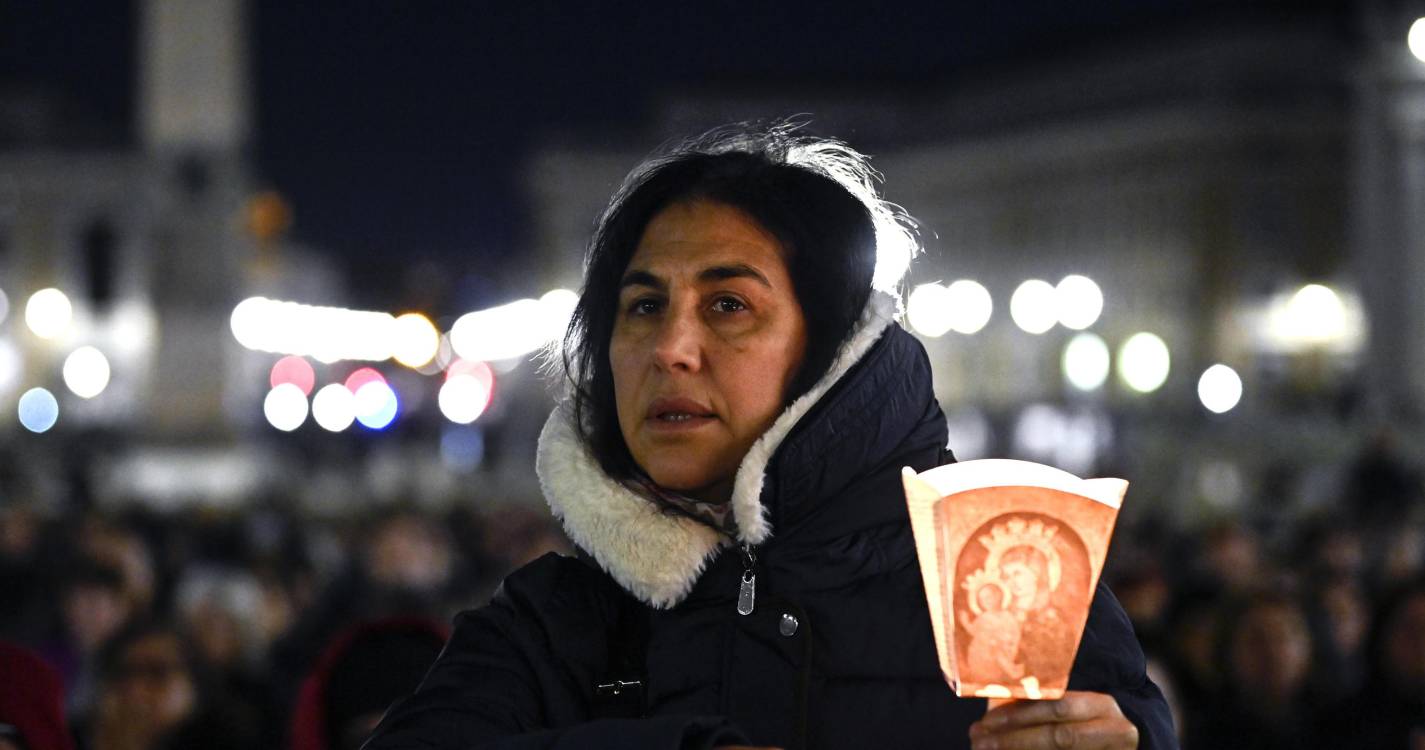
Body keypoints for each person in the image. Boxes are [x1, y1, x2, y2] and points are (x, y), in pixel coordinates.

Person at [365, 123, 1174, 749]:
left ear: (830, 347)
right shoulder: (552, 623)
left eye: (728, 306)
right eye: (642, 305)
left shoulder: (1006, 580)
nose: (670, 349)